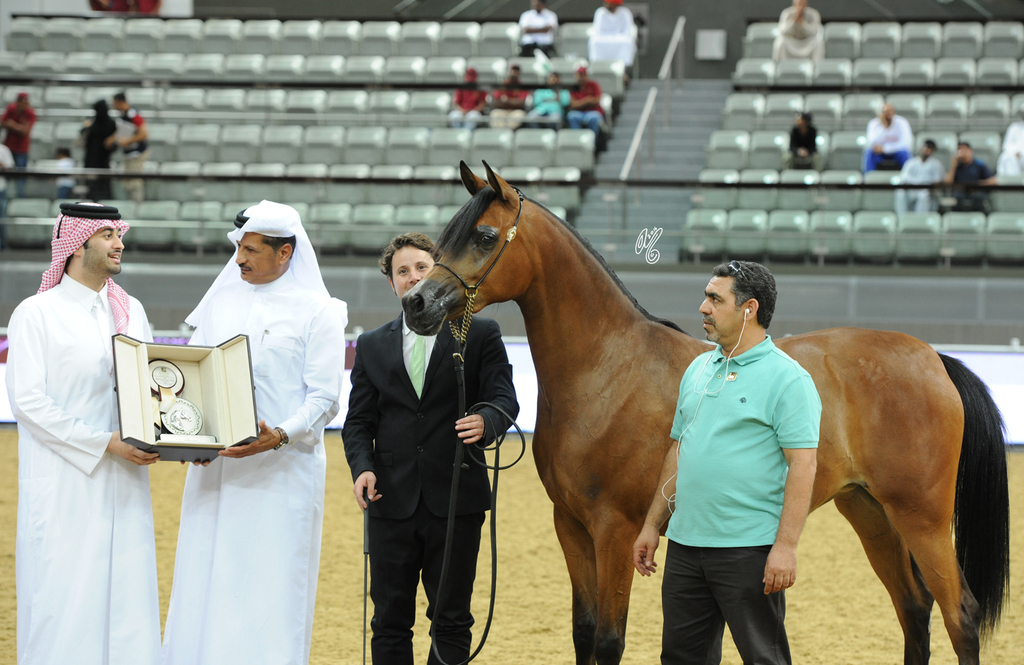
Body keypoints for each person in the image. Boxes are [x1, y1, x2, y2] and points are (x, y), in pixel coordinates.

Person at [162, 201, 348, 665]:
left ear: (285, 253)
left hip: (282, 472)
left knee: (269, 582)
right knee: (206, 574)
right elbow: (190, 381)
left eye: (250, 250)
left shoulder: (319, 310)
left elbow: (325, 397)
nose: (239, 259)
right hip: (214, 469)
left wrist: (279, 435)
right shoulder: (221, 303)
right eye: (239, 250)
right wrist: (191, 437)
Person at [343, 232, 519, 665]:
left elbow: (504, 399)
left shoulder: (480, 333)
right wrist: (362, 467)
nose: (413, 277)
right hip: (388, 501)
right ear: (392, 283)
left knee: (452, 620)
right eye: (402, 271)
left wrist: (488, 420)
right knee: (388, 621)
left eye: (421, 267)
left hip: (458, 500)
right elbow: (359, 422)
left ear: (437, 272)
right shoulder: (370, 345)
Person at [632, 260, 819, 665]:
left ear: (749, 308)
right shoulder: (699, 367)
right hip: (684, 546)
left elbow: (803, 466)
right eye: (706, 297)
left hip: (747, 550)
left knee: (763, 658)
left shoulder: (789, 379)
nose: (703, 307)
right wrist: (652, 524)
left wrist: (785, 547)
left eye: (715, 299)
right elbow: (679, 450)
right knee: (681, 659)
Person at [6, 201, 161, 665]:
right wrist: (104, 443)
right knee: (65, 595)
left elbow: (154, 385)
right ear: (76, 244)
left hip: (127, 478)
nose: (120, 243)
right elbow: (29, 403)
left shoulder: (130, 308)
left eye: (119, 234)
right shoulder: (36, 313)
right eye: (109, 235)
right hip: (65, 483)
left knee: (126, 597)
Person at [110, 92, 149, 202]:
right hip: (128, 153)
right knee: (127, 182)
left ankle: (137, 205)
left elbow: (144, 134)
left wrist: (128, 141)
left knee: (134, 182)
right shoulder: (123, 115)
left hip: (137, 153)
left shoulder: (133, 115)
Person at [943, 141, 997, 213]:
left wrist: (977, 185)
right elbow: (947, 182)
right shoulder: (957, 166)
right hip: (961, 192)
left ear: (971, 151)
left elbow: (993, 181)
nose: (962, 152)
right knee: (956, 197)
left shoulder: (979, 164)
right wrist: (953, 165)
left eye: (965, 149)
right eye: (960, 150)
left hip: (977, 191)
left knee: (978, 197)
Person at [1, 92, 36, 198]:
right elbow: (2, 123)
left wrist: (12, 125)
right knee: (5, 175)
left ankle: (19, 199)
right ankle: (5, 198)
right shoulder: (11, 109)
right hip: (9, 147)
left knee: (20, 176)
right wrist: (18, 127)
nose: (23, 105)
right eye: (21, 102)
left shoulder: (30, 113)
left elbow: (25, 131)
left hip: (22, 149)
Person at [82, 99, 118, 202]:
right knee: (91, 187)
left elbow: (114, 145)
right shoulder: (92, 123)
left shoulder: (110, 124)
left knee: (103, 188)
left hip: (103, 161)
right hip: (91, 161)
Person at [895, 140, 944, 214]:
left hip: (926, 190)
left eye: (929, 148)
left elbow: (937, 181)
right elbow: (904, 177)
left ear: (933, 151)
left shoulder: (936, 164)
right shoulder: (911, 162)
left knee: (923, 195)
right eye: (925, 147)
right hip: (911, 189)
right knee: (900, 192)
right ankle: (901, 218)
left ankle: (920, 220)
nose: (926, 150)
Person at [863, 103, 913, 173]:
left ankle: (909, 178)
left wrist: (885, 149)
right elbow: (871, 143)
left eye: (890, 111)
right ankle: (868, 178)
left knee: (905, 153)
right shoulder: (873, 123)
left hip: (897, 153)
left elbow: (906, 144)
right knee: (869, 152)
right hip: (880, 154)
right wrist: (883, 126)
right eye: (885, 112)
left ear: (894, 112)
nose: (888, 114)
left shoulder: (902, 122)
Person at [589, 0, 636, 67]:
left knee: (628, 42)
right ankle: (598, 65)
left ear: (615, 4)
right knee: (594, 41)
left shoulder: (625, 12)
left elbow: (628, 30)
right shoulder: (600, 12)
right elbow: (597, 30)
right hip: (603, 38)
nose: (607, 5)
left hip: (620, 38)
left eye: (609, 4)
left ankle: (624, 66)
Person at [567, 66, 604, 136]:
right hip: (578, 112)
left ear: (586, 75)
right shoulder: (573, 87)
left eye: (582, 75)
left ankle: (592, 143)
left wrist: (580, 103)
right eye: (578, 75)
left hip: (593, 111)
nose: (580, 77)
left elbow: (597, 101)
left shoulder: (593, 85)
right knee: (572, 116)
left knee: (594, 118)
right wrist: (587, 100)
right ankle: (577, 141)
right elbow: (573, 105)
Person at [490, 64, 529, 130]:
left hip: (515, 111)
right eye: (513, 71)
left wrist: (506, 100)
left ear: (519, 74)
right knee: (494, 114)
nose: (514, 74)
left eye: (516, 72)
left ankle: (507, 134)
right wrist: (514, 101)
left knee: (520, 115)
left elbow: (521, 103)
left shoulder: (522, 86)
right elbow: (496, 102)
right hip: (502, 110)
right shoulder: (502, 85)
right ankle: (500, 134)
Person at [996, 102, 1024, 175]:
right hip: (1016, 155)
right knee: (1006, 157)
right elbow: (1007, 144)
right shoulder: (1014, 127)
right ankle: (1012, 183)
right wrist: (1016, 152)